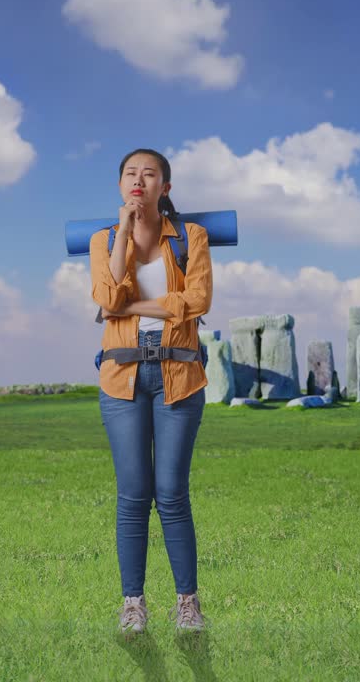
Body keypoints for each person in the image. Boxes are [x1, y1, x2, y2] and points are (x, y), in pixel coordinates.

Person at [90, 148, 212, 636]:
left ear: (166, 187)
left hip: (178, 374)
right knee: (133, 495)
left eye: (149, 174)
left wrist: (134, 307)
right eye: (130, 174)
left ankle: (187, 605)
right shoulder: (104, 240)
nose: (138, 180)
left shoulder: (190, 236)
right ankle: (133, 605)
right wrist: (123, 231)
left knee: (172, 493)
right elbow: (107, 297)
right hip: (121, 378)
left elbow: (198, 300)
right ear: (120, 185)